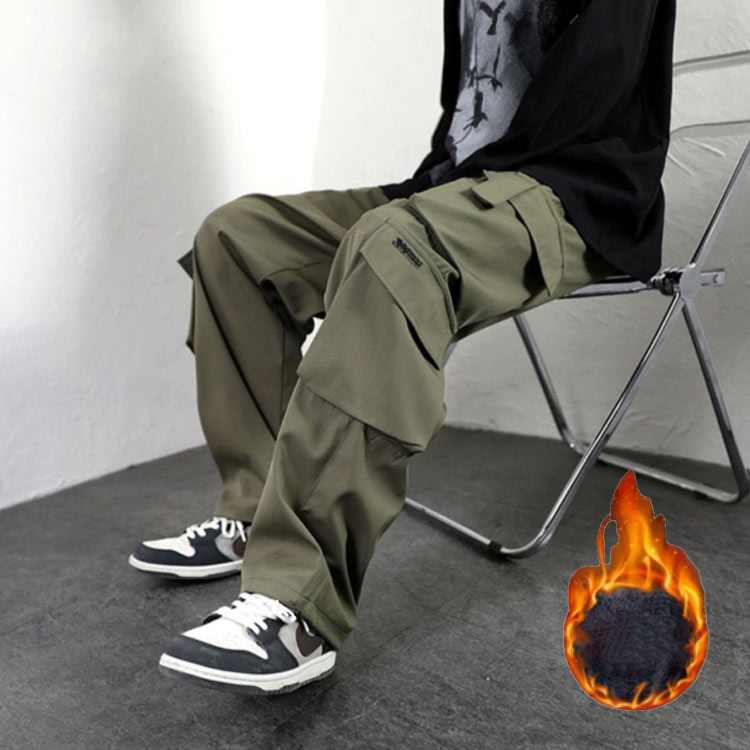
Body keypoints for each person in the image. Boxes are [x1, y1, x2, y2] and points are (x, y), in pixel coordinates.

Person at [128, 0, 677, 695]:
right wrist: (440, 186)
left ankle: (298, 603)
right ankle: (249, 510)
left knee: (395, 246)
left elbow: (594, 95)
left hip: (570, 197)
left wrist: (444, 199)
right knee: (237, 237)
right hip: (452, 184)